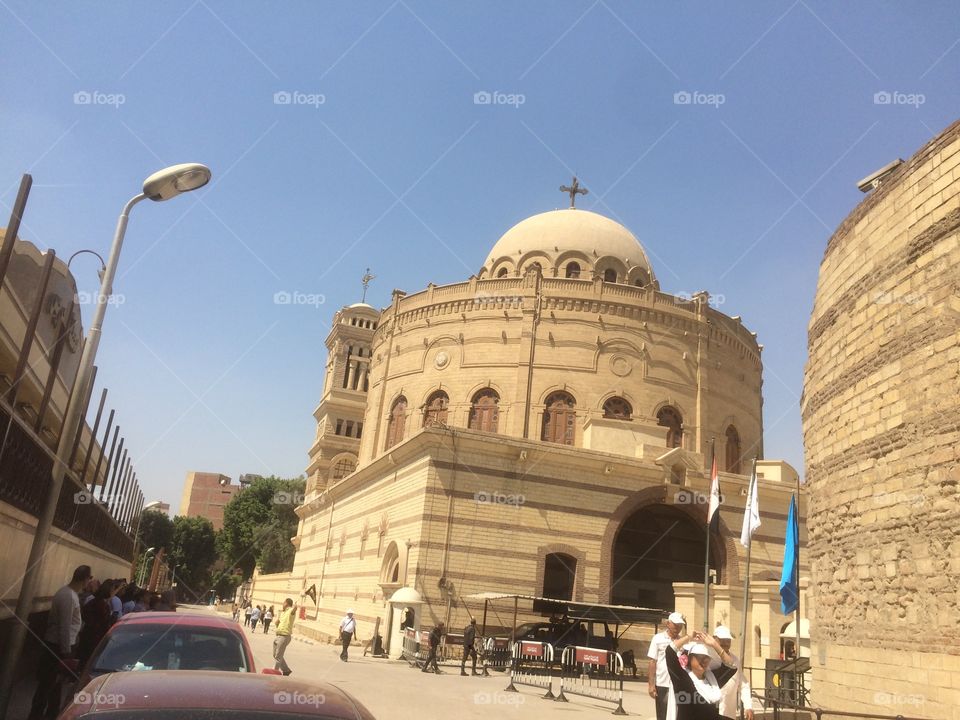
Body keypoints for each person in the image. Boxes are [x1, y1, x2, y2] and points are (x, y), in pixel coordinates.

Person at [29, 565, 91, 720]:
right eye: (89, 579)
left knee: (55, 685)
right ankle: (36, 715)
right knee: (48, 684)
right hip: (58, 647)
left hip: (62, 645)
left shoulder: (71, 594)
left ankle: (51, 713)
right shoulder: (68, 596)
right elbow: (64, 625)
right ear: (84, 579)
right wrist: (66, 652)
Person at [666, 631, 737, 720]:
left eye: (707, 657)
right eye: (699, 657)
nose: (704, 661)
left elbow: (731, 667)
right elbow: (670, 651)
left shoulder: (713, 680)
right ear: (690, 658)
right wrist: (689, 637)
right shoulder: (683, 680)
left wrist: (714, 644)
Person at [647, 611, 686, 720]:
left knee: (677, 715)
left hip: (678, 684)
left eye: (680, 626)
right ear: (668, 624)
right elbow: (652, 661)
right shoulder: (658, 639)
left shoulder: (682, 642)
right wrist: (651, 684)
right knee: (663, 714)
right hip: (663, 683)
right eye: (675, 625)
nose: (677, 628)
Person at [709, 626, 753, 720]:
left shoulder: (735, 660)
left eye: (728, 640)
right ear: (714, 639)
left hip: (728, 713)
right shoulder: (708, 658)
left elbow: (743, 684)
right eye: (722, 640)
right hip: (710, 711)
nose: (725, 643)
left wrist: (748, 706)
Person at [77, 580, 117, 666]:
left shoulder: (93, 602)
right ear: (109, 590)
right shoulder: (103, 605)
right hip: (96, 638)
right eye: (113, 589)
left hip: (87, 635)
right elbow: (105, 623)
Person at [273, 598, 296, 676]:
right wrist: (277, 623)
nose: (282, 604)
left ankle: (274, 673)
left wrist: (295, 607)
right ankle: (286, 670)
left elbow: (293, 611)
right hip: (278, 635)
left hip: (284, 636)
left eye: (283, 602)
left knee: (278, 657)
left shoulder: (290, 611)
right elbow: (279, 622)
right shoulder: (283, 613)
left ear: (286, 603)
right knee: (275, 655)